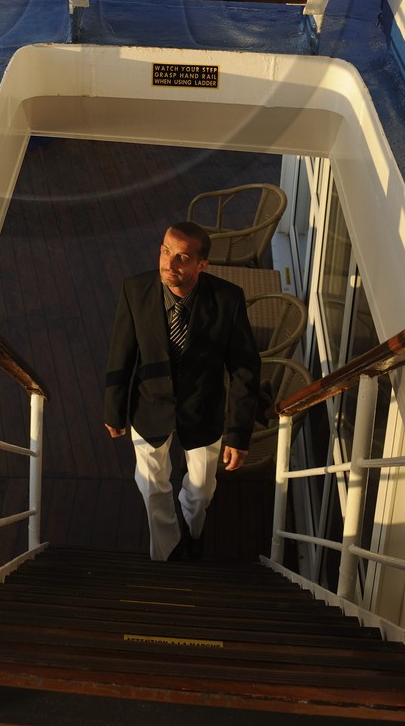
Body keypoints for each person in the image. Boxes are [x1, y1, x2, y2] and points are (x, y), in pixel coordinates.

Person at [104, 221, 262, 562]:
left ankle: (192, 530)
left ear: (201, 265)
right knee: (151, 487)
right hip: (149, 408)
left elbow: (245, 369)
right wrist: (113, 409)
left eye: (181, 258)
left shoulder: (227, 299)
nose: (168, 263)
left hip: (204, 411)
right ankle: (168, 552)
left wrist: (238, 434)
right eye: (165, 251)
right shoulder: (136, 290)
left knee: (201, 491)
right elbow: (122, 352)